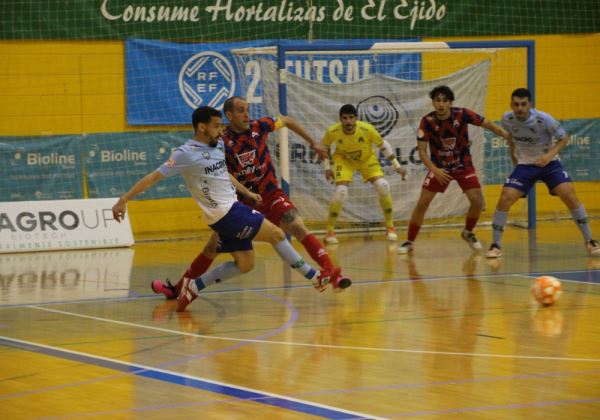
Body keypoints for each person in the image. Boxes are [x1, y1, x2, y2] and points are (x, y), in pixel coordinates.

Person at [113, 106, 337, 312]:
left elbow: (223, 173)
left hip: (232, 208)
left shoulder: (217, 144)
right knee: (277, 235)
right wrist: (124, 199)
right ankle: (314, 277)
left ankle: (194, 286)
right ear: (202, 127)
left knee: (246, 264)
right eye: (216, 125)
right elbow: (153, 177)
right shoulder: (185, 153)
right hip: (226, 213)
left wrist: (246, 192)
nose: (220, 130)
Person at [486, 87, 600, 258]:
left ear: (530, 104)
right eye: (516, 104)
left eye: (523, 104)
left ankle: (590, 241)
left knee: (569, 194)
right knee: (505, 197)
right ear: (511, 104)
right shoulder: (507, 119)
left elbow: (564, 138)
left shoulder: (543, 119)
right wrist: (513, 156)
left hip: (549, 163)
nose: (519, 108)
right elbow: (511, 138)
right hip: (525, 165)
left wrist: (548, 156)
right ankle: (496, 245)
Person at [398, 85, 511, 254]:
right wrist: (434, 170)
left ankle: (468, 232)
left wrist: (506, 136)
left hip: (463, 165)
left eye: (445, 101)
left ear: (450, 103)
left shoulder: (462, 114)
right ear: (433, 103)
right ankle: (409, 241)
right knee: (422, 203)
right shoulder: (427, 121)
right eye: (437, 100)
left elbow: (486, 123)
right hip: (440, 168)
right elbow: (421, 151)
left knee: (477, 200)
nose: (441, 104)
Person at [321, 104, 407, 244]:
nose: (348, 121)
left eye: (351, 118)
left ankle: (390, 227)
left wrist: (397, 166)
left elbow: (383, 145)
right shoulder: (333, 131)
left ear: (356, 118)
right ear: (340, 119)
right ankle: (330, 230)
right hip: (344, 160)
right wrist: (327, 167)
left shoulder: (367, 129)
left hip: (366, 159)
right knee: (341, 192)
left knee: (383, 185)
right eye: (345, 118)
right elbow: (324, 146)